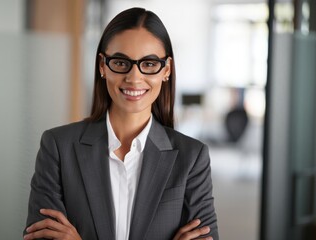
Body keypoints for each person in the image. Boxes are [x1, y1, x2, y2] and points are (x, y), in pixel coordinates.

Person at [24, 7, 218, 240]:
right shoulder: (58, 147)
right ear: (102, 66)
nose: (134, 77)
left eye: (148, 64)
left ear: (166, 70)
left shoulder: (192, 157)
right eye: (120, 62)